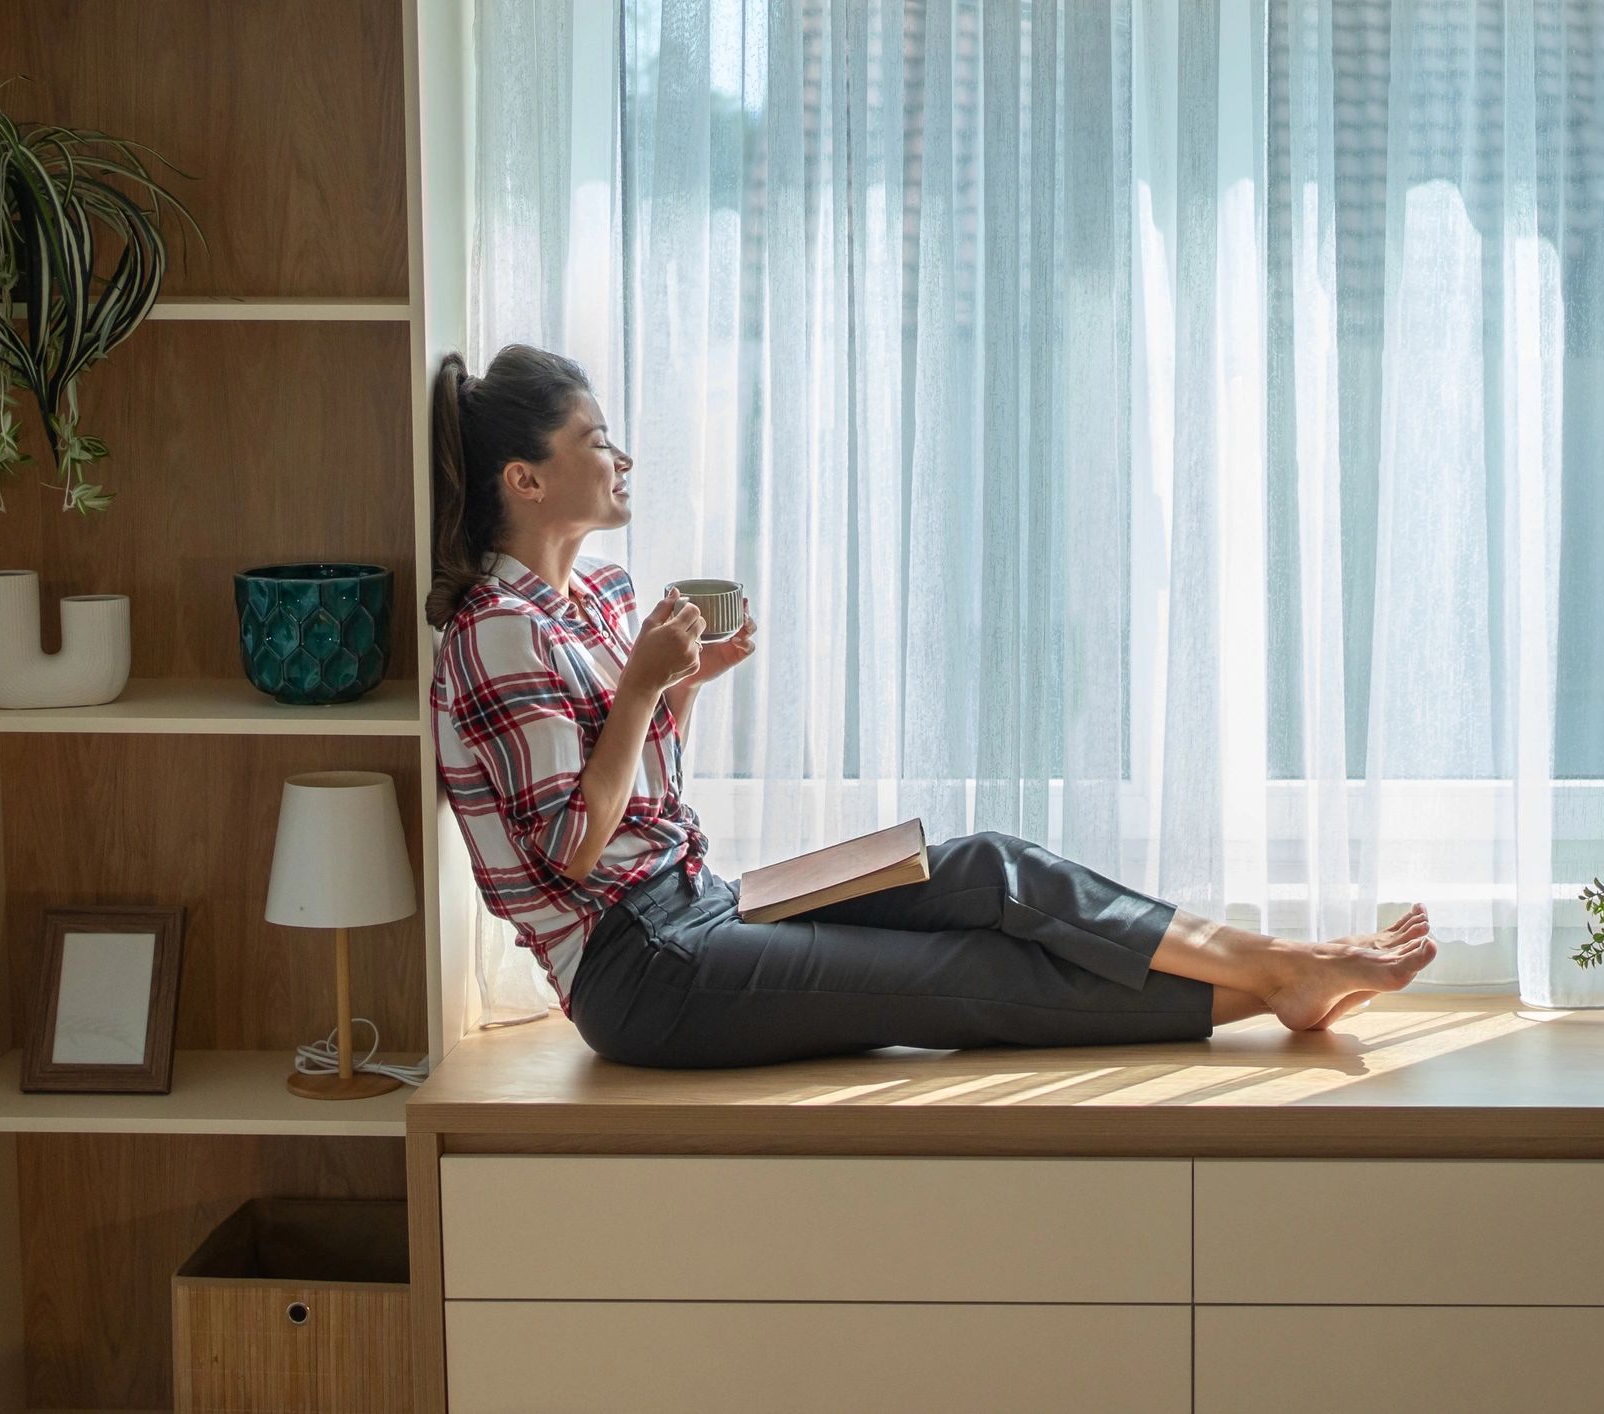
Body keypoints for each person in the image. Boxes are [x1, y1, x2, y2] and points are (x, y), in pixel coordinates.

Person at [427, 344, 1437, 1069]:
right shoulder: (499, 628)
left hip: (699, 900)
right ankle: (1277, 985)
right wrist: (647, 686)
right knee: (963, 970)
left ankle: (1280, 965)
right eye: (596, 439)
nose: (622, 458)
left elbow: (635, 798)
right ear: (526, 478)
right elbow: (573, 848)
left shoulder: (593, 598)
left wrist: (677, 690)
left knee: (988, 865)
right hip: (642, 968)